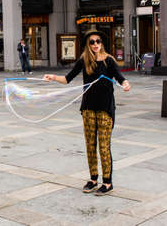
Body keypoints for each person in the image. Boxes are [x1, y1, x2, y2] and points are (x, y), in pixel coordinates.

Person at [43, 30, 131, 196]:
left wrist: (126, 84)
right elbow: (68, 79)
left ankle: (107, 182)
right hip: (88, 108)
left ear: (101, 43)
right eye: (92, 42)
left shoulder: (109, 60)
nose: (95, 44)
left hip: (105, 109)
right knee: (90, 146)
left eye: (98, 41)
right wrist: (53, 77)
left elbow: (120, 78)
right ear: (88, 44)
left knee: (104, 147)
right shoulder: (84, 60)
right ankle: (93, 179)